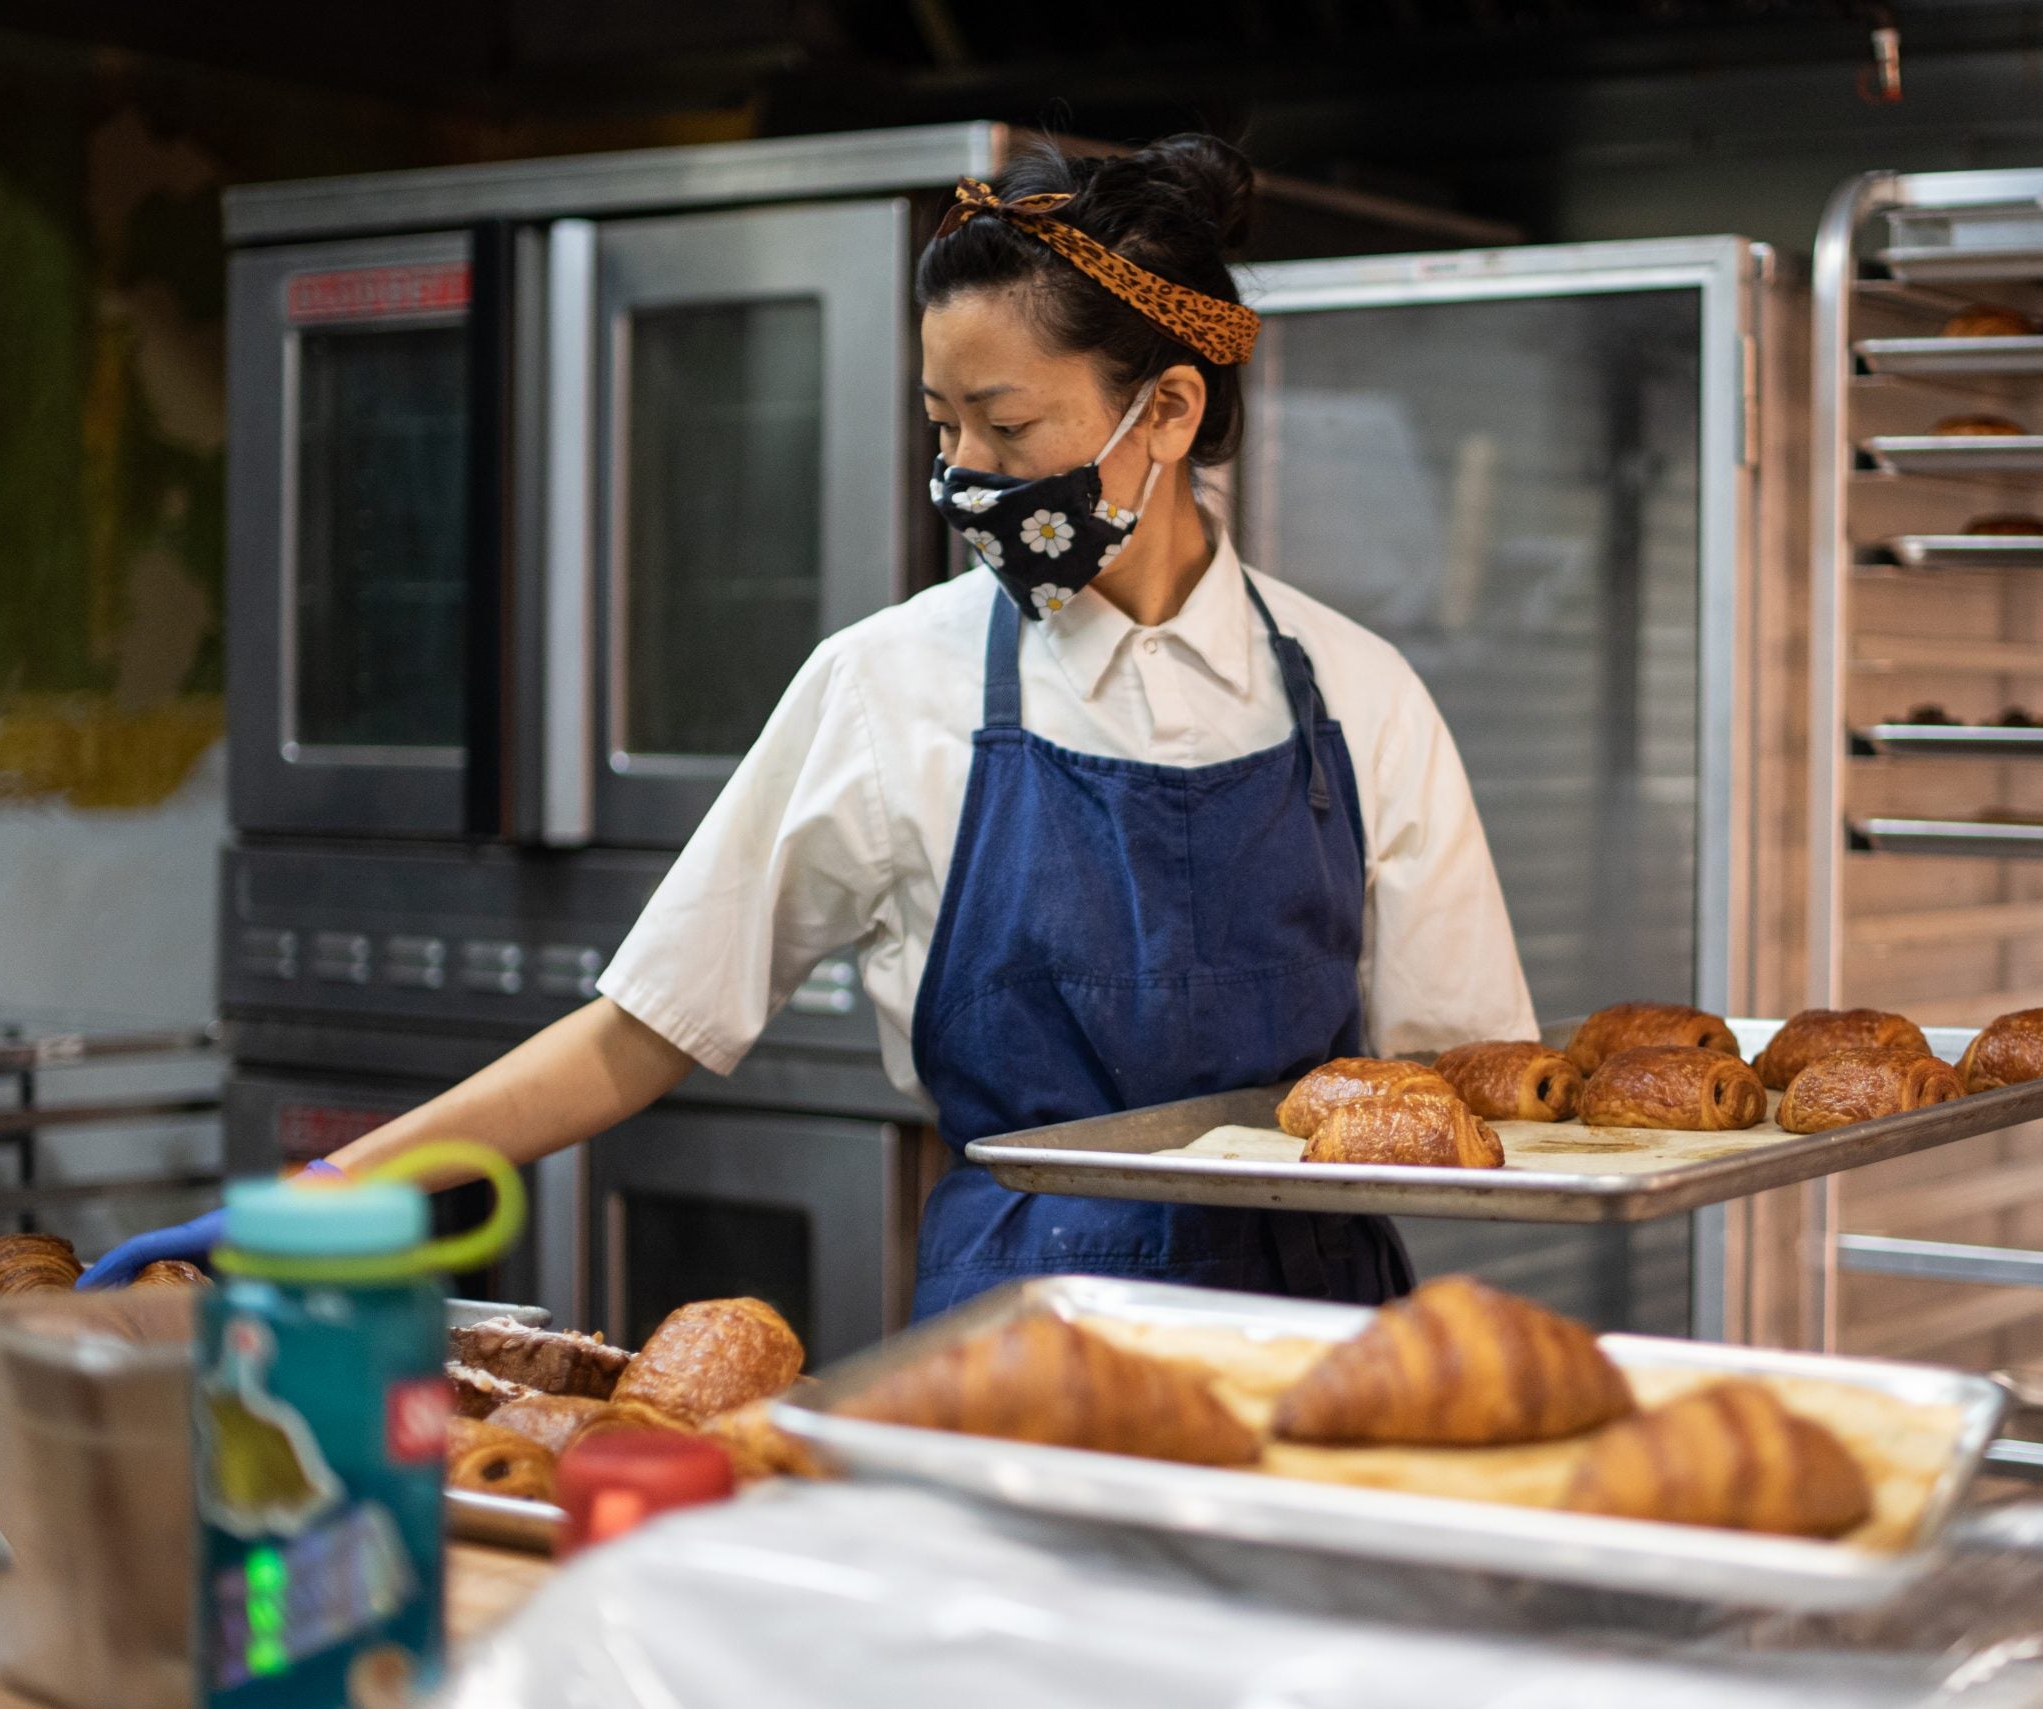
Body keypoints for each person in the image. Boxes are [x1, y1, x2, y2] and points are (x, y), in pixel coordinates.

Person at [84, 134, 1535, 1316]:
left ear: (1162, 410)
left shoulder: (1358, 695)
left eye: (1006, 428)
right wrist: (329, 1200)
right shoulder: (890, 684)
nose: (962, 474)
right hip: (1015, 1344)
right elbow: (639, 1030)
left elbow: (1471, 1090)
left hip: (1318, 1347)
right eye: (938, 423)